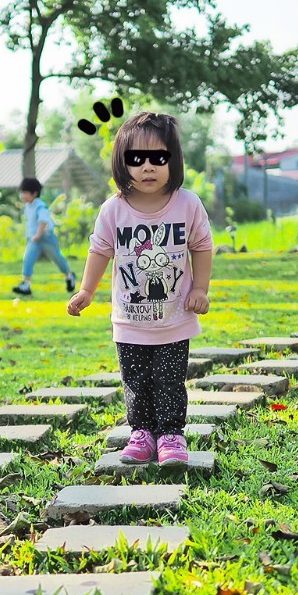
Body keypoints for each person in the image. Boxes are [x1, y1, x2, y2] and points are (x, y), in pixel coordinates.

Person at [66, 112, 213, 466]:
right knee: (135, 380)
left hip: (175, 315)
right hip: (130, 318)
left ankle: (172, 436)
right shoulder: (114, 209)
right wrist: (87, 290)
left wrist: (201, 288)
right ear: (123, 163)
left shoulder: (187, 204)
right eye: (137, 159)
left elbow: (202, 246)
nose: (148, 167)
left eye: (158, 158)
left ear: (172, 160)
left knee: (170, 379)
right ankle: (142, 433)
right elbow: (100, 250)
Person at [12, 177, 77, 296]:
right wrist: (32, 236)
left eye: (25, 192)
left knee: (57, 258)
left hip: (46, 238)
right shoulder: (27, 206)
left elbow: (43, 221)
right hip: (34, 240)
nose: (22, 195)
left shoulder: (40, 205)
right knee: (28, 259)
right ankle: (26, 284)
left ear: (34, 193)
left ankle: (69, 275)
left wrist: (38, 234)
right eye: (21, 192)